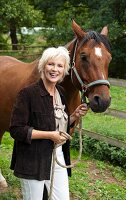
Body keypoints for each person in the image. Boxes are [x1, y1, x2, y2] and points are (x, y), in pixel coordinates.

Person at [9, 46, 88, 200]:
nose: (55, 69)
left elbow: (57, 125)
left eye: (60, 66)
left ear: (65, 70)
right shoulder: (27, 94)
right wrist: (50, 135)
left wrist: (73, 116)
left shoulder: (61, 93)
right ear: (43, 66)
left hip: (57, 155)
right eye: (50, 64)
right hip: (32, 159)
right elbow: (16, 130)